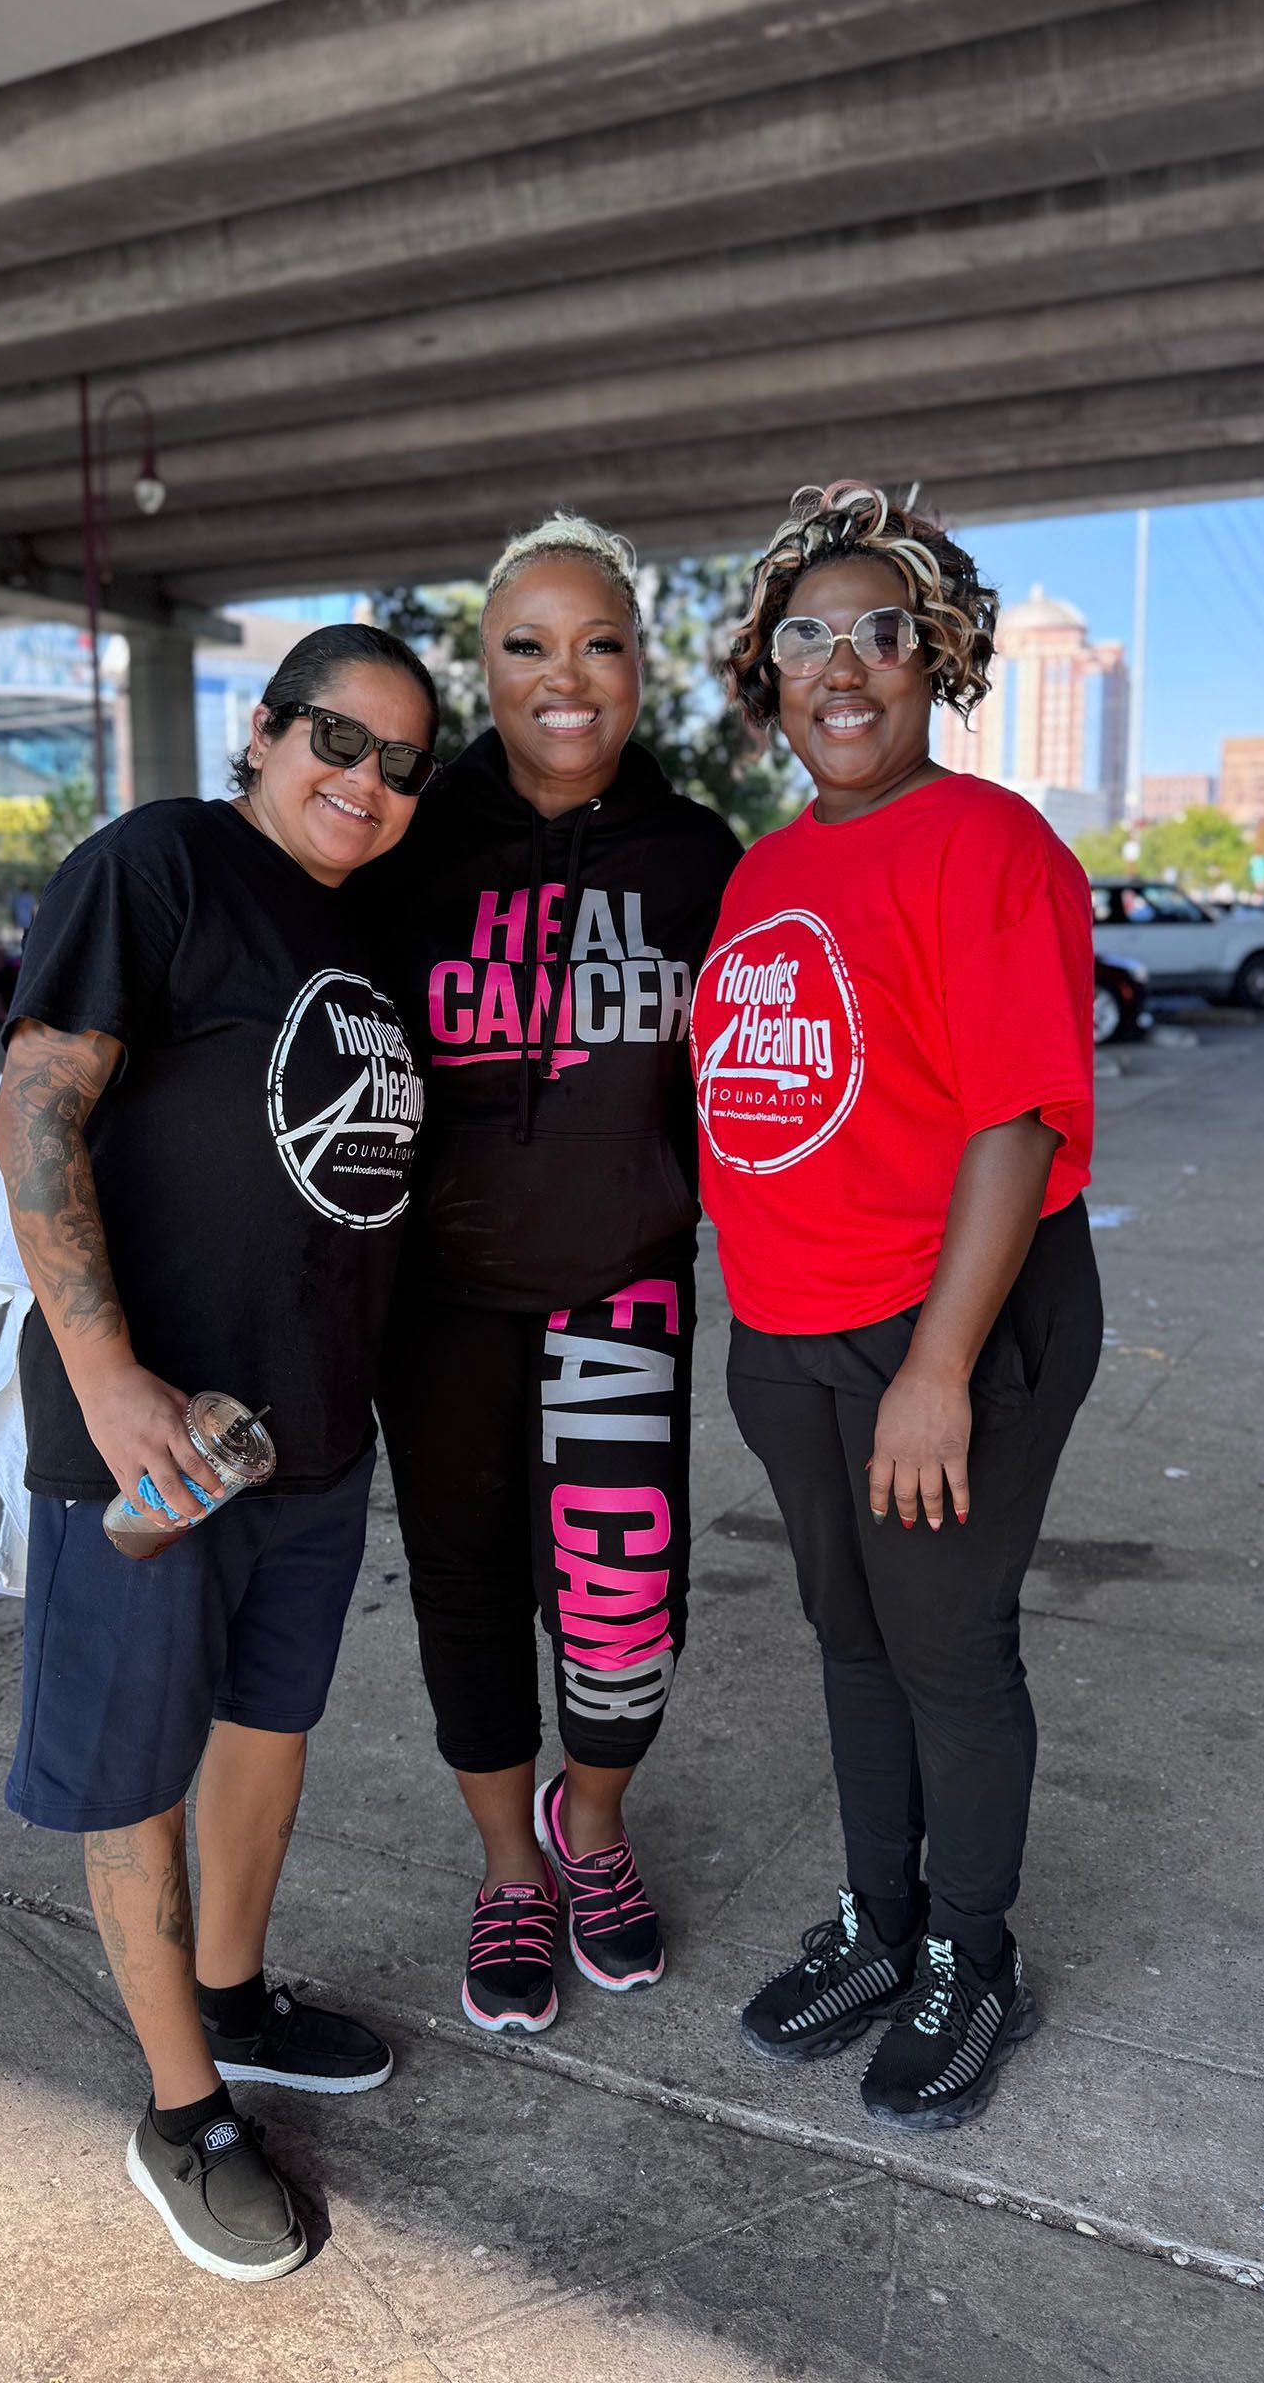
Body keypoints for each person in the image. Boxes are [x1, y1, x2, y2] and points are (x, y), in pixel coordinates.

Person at [0, 625, 438, 2282]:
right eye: (338, 739)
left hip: (308, 1435)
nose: (366, 782)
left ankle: (236, 2003)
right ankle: (181, 2111)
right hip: (152, 1444)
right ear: (264, 731)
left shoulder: (361, 927)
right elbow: (32, 1103)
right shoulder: (163, 860)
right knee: (138, 1772)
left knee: (270, 1734)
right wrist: (110, 1383)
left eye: (403, 764)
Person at [691, 481, 1101, 2131]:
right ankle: (883, 1921)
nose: (841, 666)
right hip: (789, 1336)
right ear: (765, 674)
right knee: (849, 1644)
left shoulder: (991, 843)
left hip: (951, 1327)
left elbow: (1013, 1119)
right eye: (805, 636)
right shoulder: (760, 871)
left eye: (880, 633)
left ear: (936, 661)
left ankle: (974, 1957)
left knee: (946, 1649)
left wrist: (938, 1370)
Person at [371, 515, 741, 2035]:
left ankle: (594, 1832)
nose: (565, 676)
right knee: (462, 1582)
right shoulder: (410, 846)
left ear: (641, 669)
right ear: (486, 665)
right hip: (440, 1291)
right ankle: (507, 1867)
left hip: (623, 1273)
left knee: (621, 1589)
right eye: (528, 644)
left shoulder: (700, 855)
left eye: (598, 643)